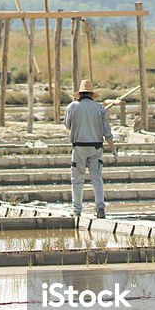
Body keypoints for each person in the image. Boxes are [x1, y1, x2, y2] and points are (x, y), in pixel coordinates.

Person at [63, 79, 117, 218]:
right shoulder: (99, 108)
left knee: (77, 180)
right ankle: (100, 208)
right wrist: (113, 149)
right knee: (97, 178)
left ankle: (77, 210)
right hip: (96, 147)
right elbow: (107, 132)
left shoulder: (72, 107)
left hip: (79, 147)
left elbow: (68, 126)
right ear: (92, 95)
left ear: (79, 94)